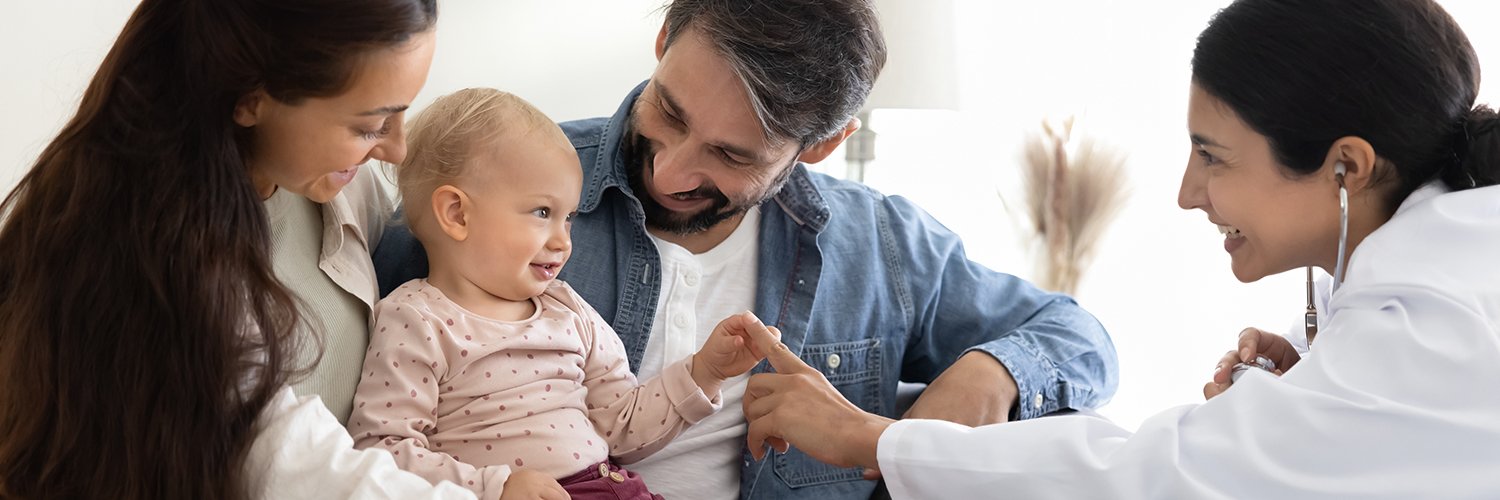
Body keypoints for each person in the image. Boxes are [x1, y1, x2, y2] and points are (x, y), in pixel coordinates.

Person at [736, 0, 1500, 497]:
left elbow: (1149, 475)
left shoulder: (1425, 320)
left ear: (1346, 167)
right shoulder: (1437, 271)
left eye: (1213, 156)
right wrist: (1314, 398)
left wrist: (877, 438)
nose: (1187, 193)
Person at [373, 0, 1119, 498]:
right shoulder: (502, 191)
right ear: (663, 42)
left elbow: (1080, 338)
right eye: (668, 109)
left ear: (822, 145)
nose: (670, 170)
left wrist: (991, 372)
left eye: (731, 156)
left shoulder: (882, 243)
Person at [0, 0, 480, 497]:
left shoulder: (337, 184)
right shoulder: (155, 261)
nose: (395, 150)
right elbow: (293, 462)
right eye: (367, 125)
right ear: (250, 96)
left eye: (402, 112)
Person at [347, 88, 777, 500]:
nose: (563, 240)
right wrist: (490, 488)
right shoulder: (417, 319)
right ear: (457, 214)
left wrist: (705, 372)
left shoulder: (568, 309)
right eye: (542, 212)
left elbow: (622, 425)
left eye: (568, 217)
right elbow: (382, 448)